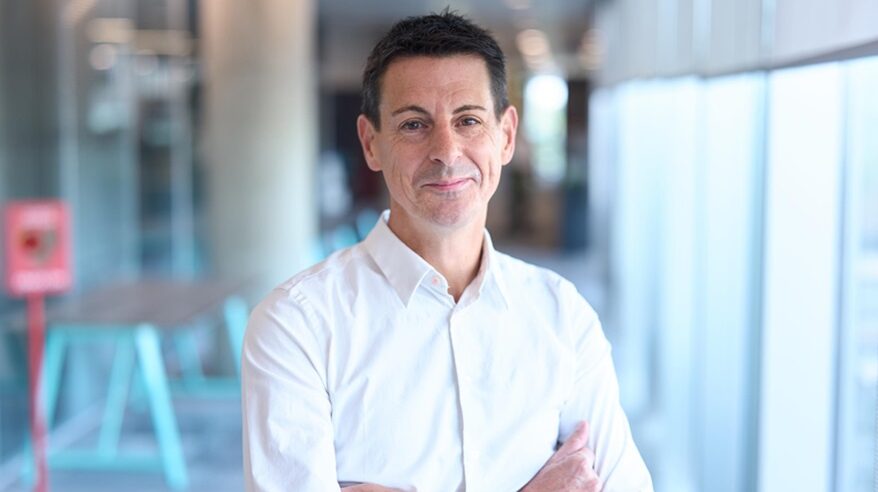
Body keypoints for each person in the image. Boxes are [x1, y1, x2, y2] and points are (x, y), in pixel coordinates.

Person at [242, 10, 653, 492]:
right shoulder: (296, 326)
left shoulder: (563, 315)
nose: (447, 151)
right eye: (414, 125)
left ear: (505, 135)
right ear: (371, 144)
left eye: (469, 120)